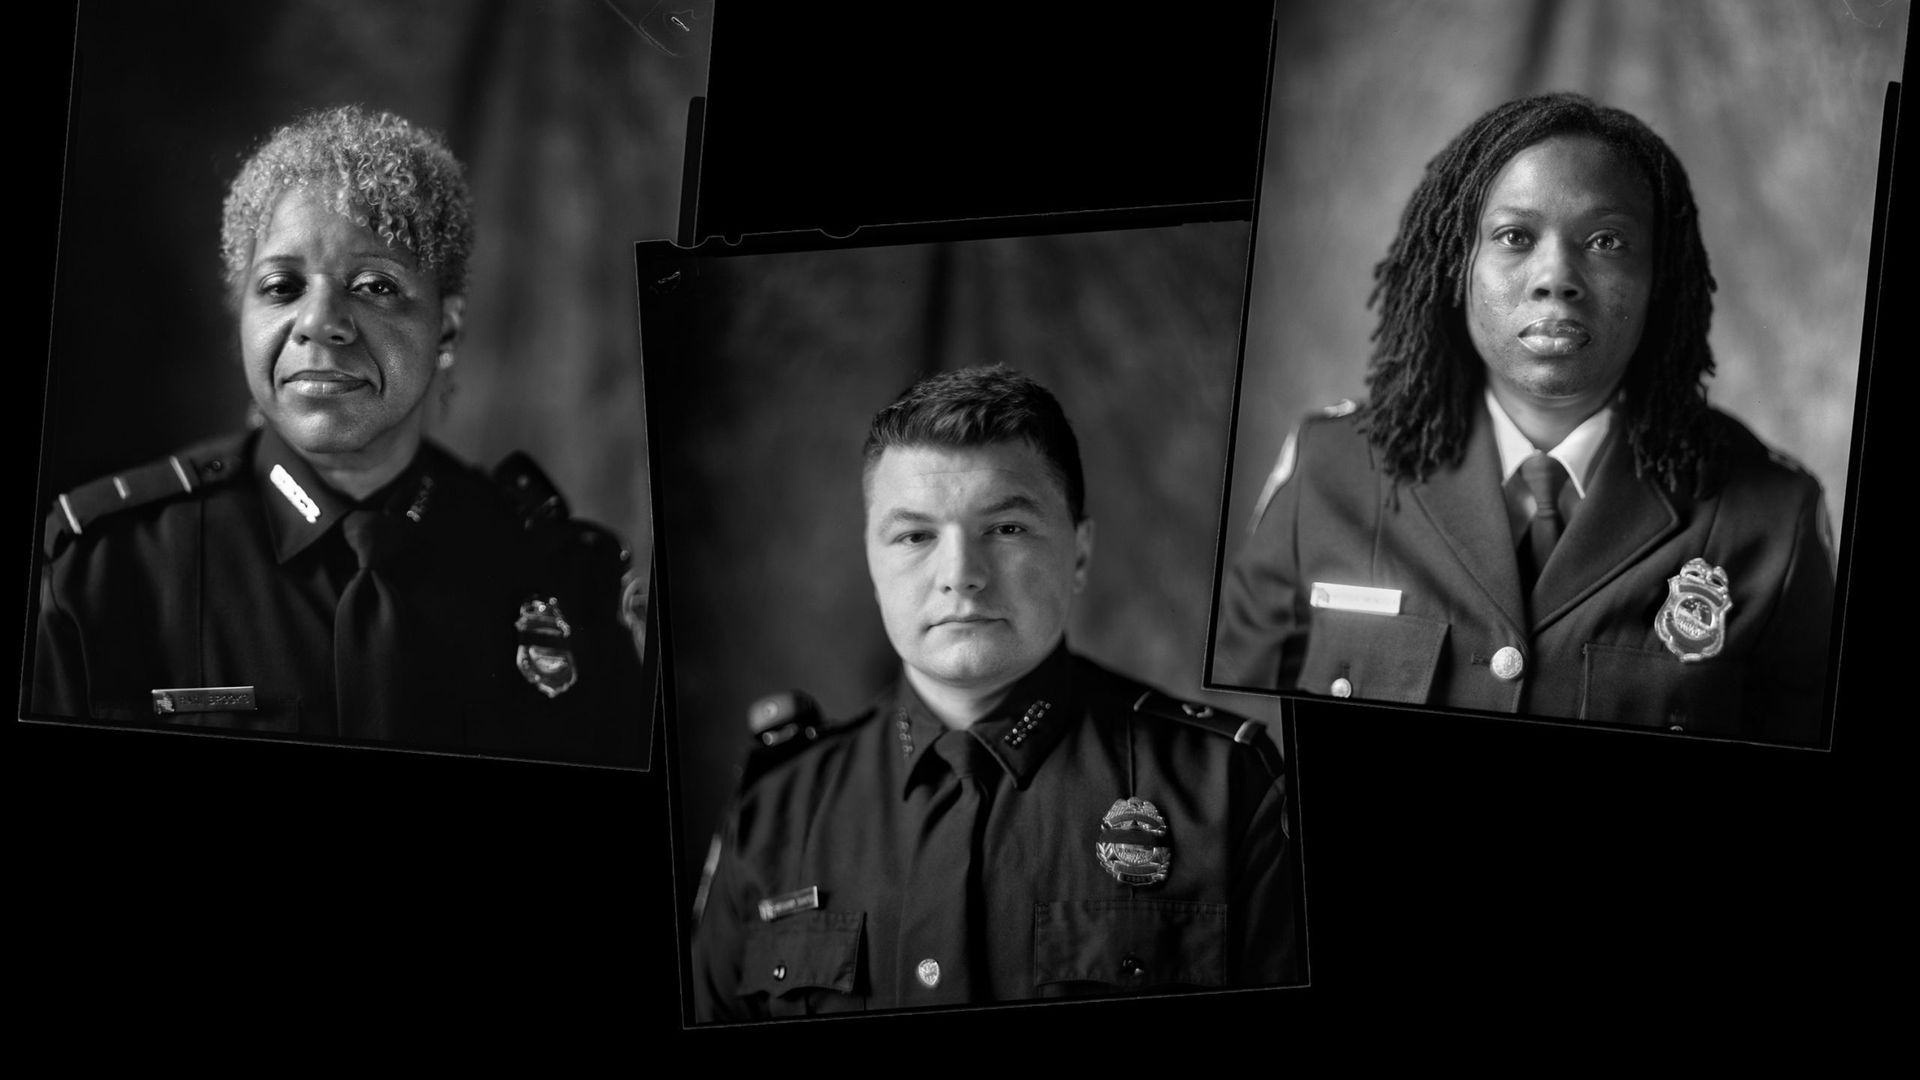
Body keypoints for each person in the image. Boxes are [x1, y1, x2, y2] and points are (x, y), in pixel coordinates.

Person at [30, 105, 649, 767]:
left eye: (376, 285)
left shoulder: (558, 577)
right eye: (281, 286)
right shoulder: (106, 572)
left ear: (447, 329)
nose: (319, 322)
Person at [1213, 92, 1834, 745]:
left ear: (1661, 278)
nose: (1556, 277)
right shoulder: (1328, 469)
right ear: (1458, 265)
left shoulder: (1770, 517)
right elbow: (1252, 756)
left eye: (1606, 240)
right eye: (1514, 236)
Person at [689, 366, 1301, 1021]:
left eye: (1006, 528)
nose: (961, 576)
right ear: (872, 560)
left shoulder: (1229, 790)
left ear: (1081, 554)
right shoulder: (774, 814)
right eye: (915, 536)